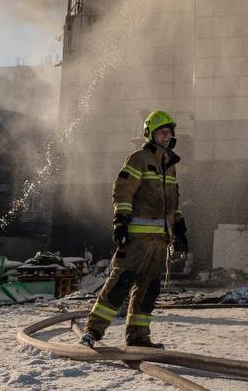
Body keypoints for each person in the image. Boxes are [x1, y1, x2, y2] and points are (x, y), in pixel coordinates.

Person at [81, 110, 188, 348]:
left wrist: (179, 228)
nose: (166, 136)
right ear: (150, 133)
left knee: (148, 290)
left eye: (169, 133)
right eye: (161, 132)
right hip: (137, 239)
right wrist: (120, 220)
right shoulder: (139, 159)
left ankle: (138, 337)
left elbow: (172, 203)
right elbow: (123, 189)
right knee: (120, 283)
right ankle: (93, 331)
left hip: (160, 242)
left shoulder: (170, 166)